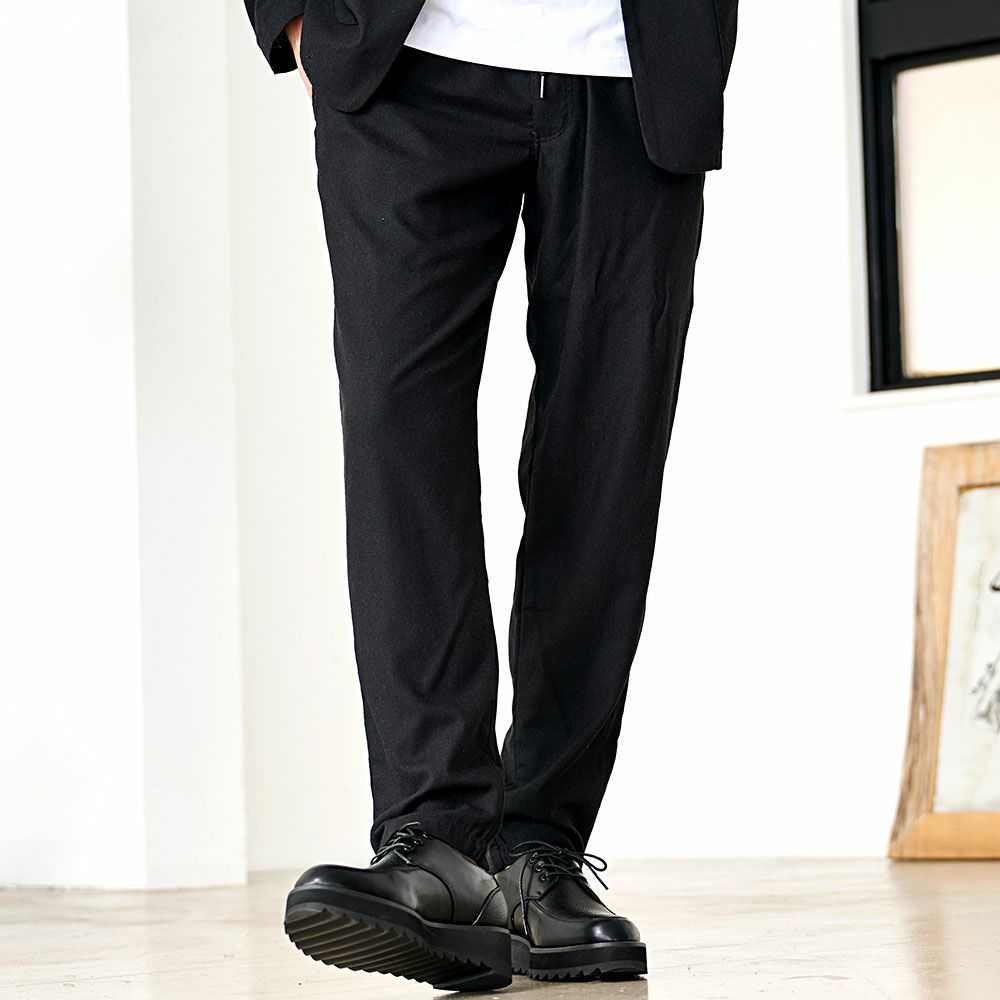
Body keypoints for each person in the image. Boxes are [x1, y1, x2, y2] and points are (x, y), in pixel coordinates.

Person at [243, 0, 738, 990]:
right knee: (398, 442)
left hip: (635, 70)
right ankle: (435, 841)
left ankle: (538, 853)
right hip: (404, 59)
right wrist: (291, 15)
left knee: (606, 459)